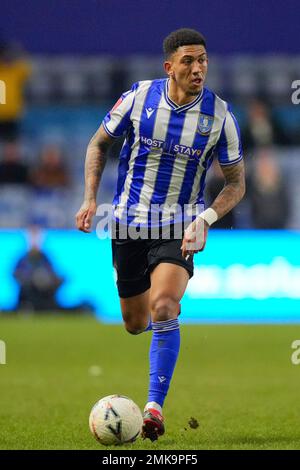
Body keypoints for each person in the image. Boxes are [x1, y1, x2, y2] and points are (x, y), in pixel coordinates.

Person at [76, 28, 245, 441]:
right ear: (169, 66)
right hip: (127, 226)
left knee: (166, 306)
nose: (197, 68)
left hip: (178, 227)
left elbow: (236, 183)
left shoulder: (220, 116)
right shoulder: (138, 98)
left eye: (203, 59)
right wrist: (89, 198)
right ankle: (160, 341)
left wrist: (204, 219)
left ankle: (153, 408)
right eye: (188, 61)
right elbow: (98, 145)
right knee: (137, 323)